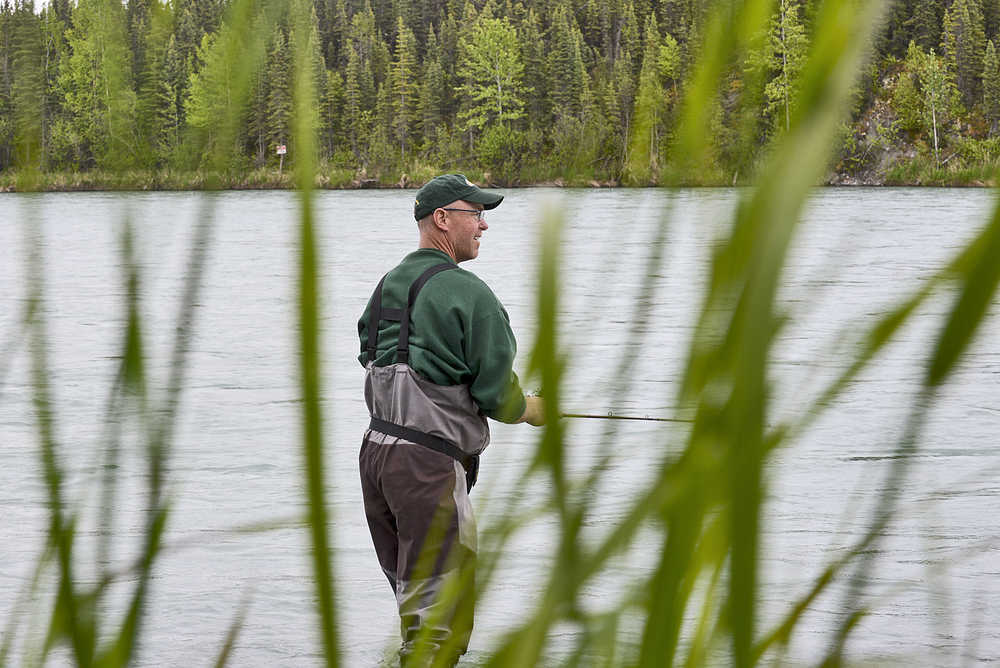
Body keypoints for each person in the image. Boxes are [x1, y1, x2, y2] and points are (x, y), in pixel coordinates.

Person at [357, 174, 545, 666]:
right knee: (441, 621)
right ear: (442, 219)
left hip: (377, 458)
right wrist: (531, 409)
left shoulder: (387, 285)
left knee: (413, 600)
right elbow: (497, 395)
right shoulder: (469, 294)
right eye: (475, 214)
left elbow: (368, 353)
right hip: (427, 468)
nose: (484, 225)